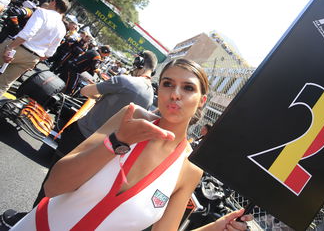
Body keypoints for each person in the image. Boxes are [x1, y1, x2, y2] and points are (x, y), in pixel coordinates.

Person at [9, 58, 253, 230]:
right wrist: (118, 142)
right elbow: (54, 186)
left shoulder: (190, 168)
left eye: (188, 88)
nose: (175, 93)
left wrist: (216, 228)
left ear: (202, 101)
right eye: (167, 84)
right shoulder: (130, 116)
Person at [0, 0, 69, 97]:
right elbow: (50, 52)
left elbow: (28, 33)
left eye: (50, 1)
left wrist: (10, 47)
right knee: (4, 84)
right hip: (33, 57)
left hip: (19, 46)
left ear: (54, 2)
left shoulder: (43, 12)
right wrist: (36, 59)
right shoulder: (62, 28)